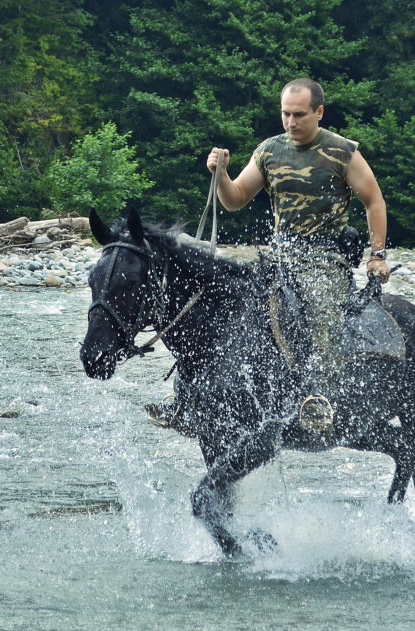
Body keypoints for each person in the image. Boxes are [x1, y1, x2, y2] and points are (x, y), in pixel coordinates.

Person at [148, 78, 390, 440]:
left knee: (320, 310)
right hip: (278, 257)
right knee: (222, 303)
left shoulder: (342, 152)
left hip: (325, 261)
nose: (291, 122)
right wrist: (221, 174)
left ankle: (320, 396)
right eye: (285, 114)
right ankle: (188, 394)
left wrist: (377, 255)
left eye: (299, 115)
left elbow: (374, 201)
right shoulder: (269, 150)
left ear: (319, 112)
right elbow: (235, 199)